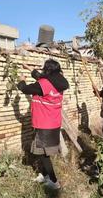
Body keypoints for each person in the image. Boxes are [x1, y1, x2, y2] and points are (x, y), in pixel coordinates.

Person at [18, 59, 69, 190]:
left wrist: (21, 79)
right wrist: (28, 67)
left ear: (47, 70)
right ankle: (45, 176)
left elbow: (25, 89)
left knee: (43, 155)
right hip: (53, 123)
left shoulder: (44, 84)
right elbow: (40, 77)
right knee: (42, 152)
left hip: (44, 125)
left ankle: (54, 181)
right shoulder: (58, 82)